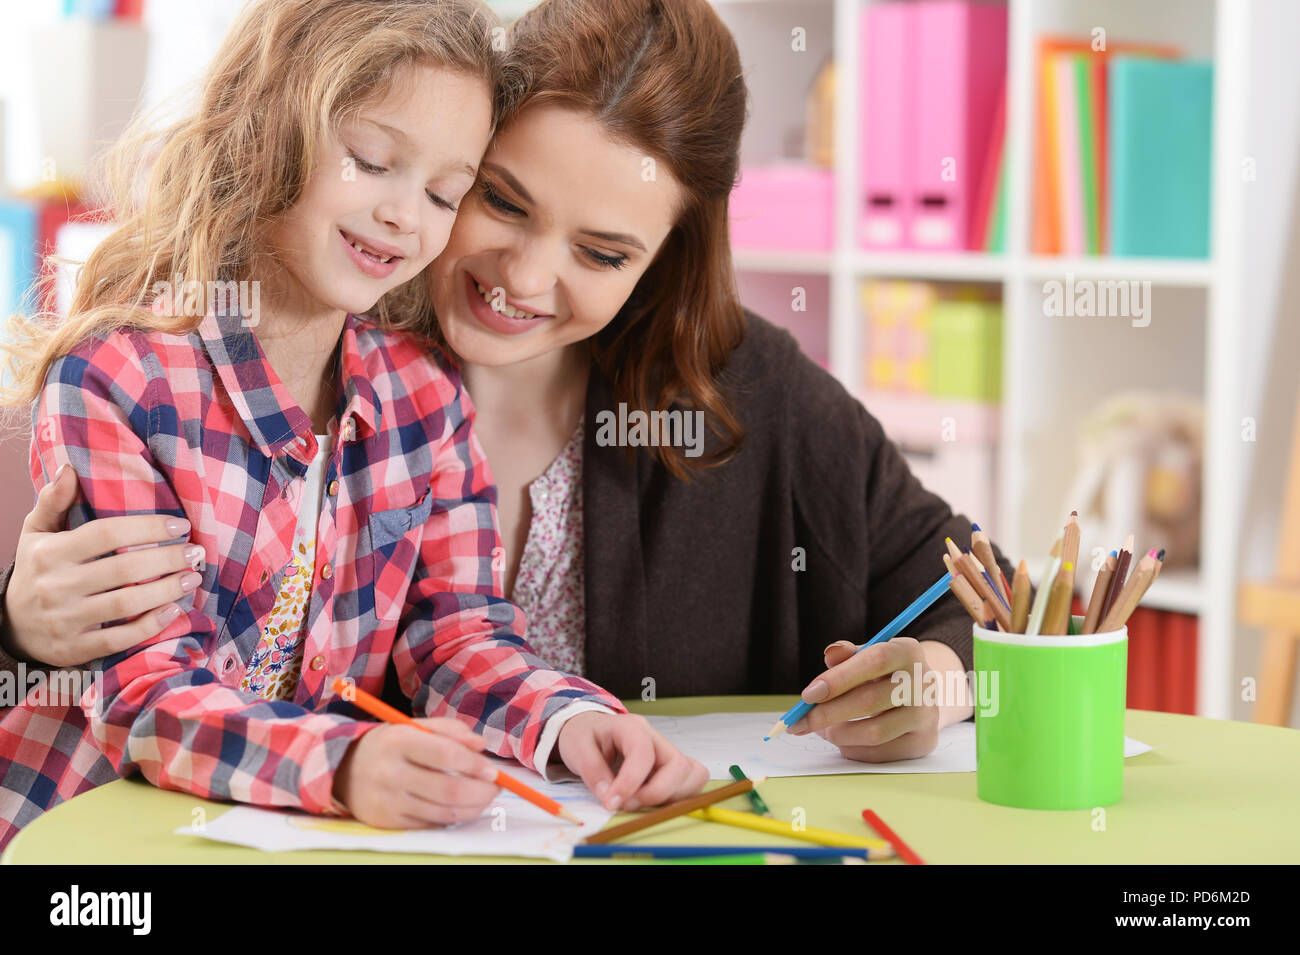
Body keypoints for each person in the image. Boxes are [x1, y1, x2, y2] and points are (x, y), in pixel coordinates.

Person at [2, 0, 997, 780]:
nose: (523, 276)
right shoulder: (281, 338)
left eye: (602, 252)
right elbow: (129, 684)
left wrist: (944, 681)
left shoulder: (745, 387)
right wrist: (20, 628)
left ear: (660, 261)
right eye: (499, 200)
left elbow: (994, 601)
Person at [0, 0, 707, 849]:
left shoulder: (427, 395)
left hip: (282, 832)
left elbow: (456, 636)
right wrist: (342, 764)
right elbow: (145, 696)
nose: (406, 217)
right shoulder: (122, 381)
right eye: (373, 162)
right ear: (269, 128)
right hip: (90, 838)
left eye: (447, 193)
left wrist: (567, 723)